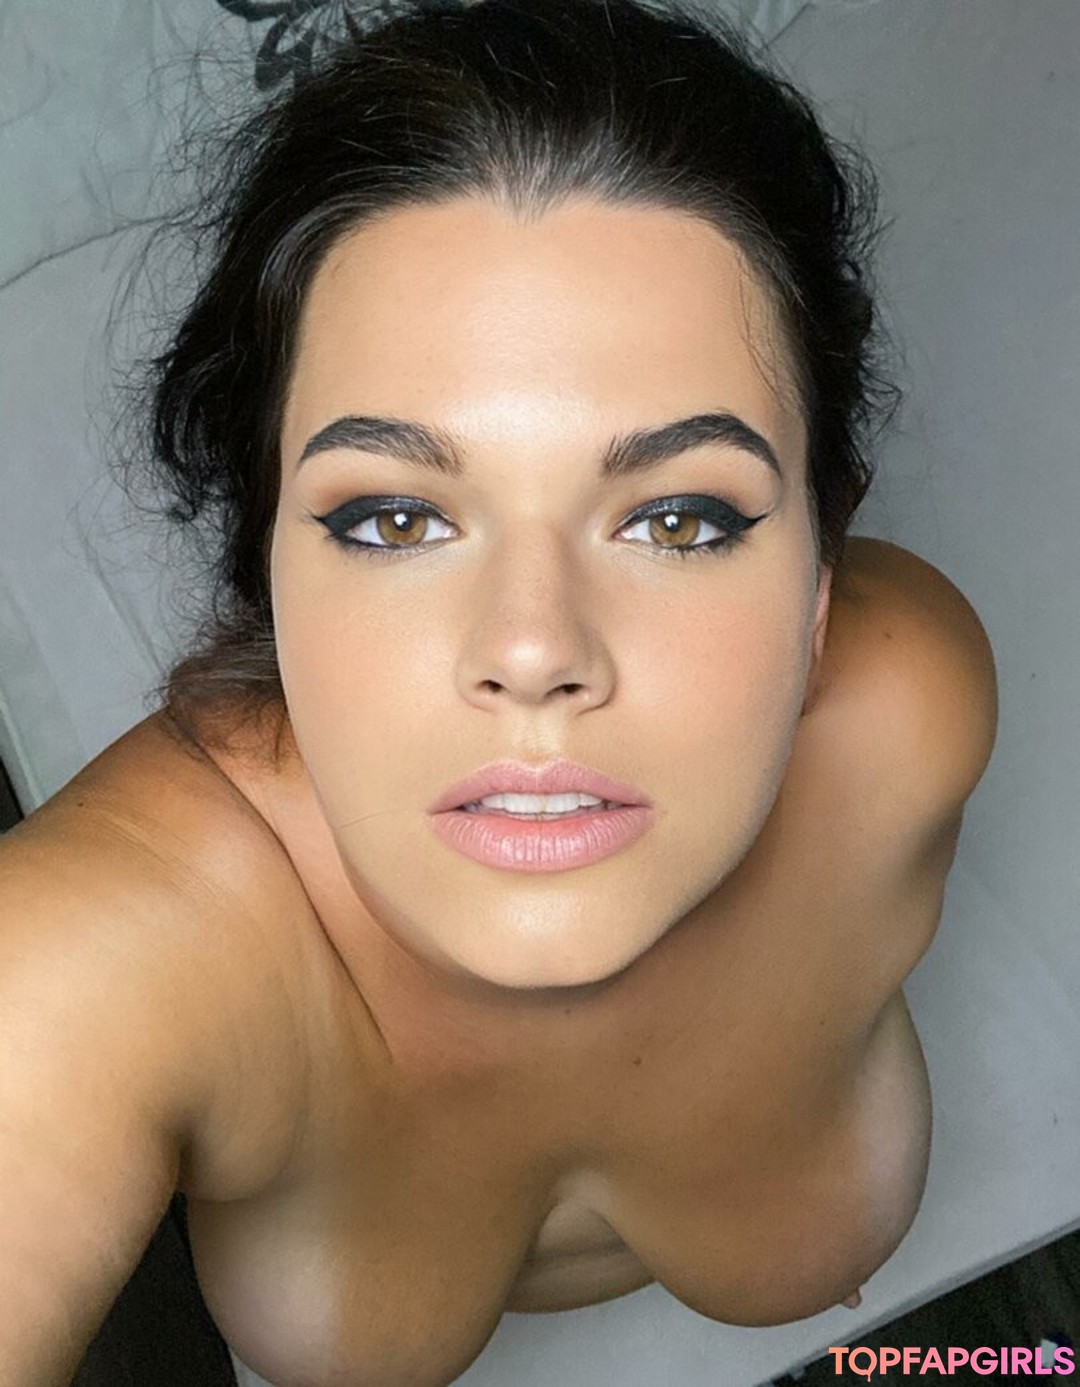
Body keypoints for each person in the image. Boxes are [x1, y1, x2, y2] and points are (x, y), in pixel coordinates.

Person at [1, 0, 999, 1382]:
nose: (534, 650)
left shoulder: (908, 716)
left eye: (680, 518)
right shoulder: (110, 952)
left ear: (822, 569)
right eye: (395, 519)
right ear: (265, 562)